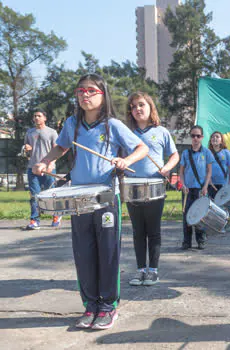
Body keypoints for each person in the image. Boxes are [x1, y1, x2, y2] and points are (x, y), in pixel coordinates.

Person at [33, 74, 148, 330]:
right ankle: (90, 305)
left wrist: (125, 161)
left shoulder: (113, 125)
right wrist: (45, 162)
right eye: (81, 90)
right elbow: (60, 148)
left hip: (106, 198)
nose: (85, 95)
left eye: (91, 91)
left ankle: (108, 306)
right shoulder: (72, 124)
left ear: (102, 95)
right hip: (78, 199)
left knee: (108, 253)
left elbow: (142, 148)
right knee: (84, 253)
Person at [125, 92, 180, 287]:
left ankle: (153, 271)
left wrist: (167, 168)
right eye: (133, 106)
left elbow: (174, 155)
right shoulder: (126, 133)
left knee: (153, 231)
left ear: (150, 108)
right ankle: (141, 270)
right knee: (138, 230)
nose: (137, 109)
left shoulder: (162, 131)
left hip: (155, 186)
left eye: (141, 105)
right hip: (131, 188)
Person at [24, 109, 60, 230]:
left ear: (45, 118)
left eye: (39, 116)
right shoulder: (29, 132)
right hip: (33, 168)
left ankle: (56, 216)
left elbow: (58, 150)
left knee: (51, 195)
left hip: (48, 168)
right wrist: (26, 149)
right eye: (35, 116)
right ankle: (34, 220)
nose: (36, 118)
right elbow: (26, 153)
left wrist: (51, 164)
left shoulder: (52, 132)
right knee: (35, 195)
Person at [180, 125, 214, 250]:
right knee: (187, 216)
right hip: (188, 189)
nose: (195, 138)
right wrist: (183, 185)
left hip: (201, 189)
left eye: (198, 136)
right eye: (193, 136)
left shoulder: (206, 152)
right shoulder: (185, 153)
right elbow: (181, 172)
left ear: (202, 137)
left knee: (201, 216)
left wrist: (205, 186)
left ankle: (201, 240)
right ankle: (186, 241)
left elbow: (209, 171)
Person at [207, 131, 230, 198]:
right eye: (212, 137)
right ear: (210, 140)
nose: (214, 138)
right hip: (211, 184)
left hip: (223, 183)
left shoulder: (226, 152)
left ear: (221, 141)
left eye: (217, 137)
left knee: (222, 204)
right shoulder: (207, 153)